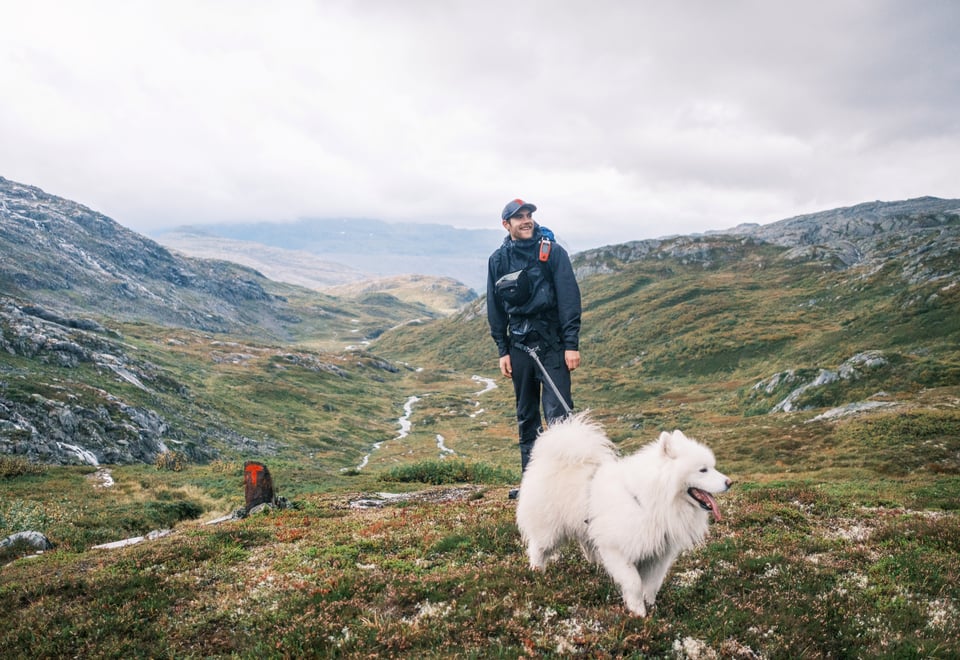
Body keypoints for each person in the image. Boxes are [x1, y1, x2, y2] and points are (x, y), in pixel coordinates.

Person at [486, 198, 582, 499]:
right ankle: (532, 485)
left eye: (529, 215)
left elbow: (569, 299)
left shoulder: (552, 252)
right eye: (519, 217)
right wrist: (503, 349)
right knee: (527, 417)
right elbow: (495, 307)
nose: (526, 220)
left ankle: (567, 486)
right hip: (518, 347)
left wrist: (571, 345)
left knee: (559, 416)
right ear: (507, 224)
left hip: (552, 344)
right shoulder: (498, 260)